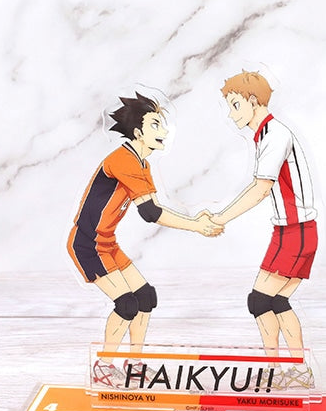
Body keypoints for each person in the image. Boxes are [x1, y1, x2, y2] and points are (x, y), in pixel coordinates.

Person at [67, 92, 222, 388]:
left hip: (107, 243)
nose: (164, 131)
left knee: (145, 297)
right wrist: (196, 226)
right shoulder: (122, 160)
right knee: (126, 303)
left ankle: (135, 365)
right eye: (155, 125)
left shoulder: (141, 164)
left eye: (162, 124)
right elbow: (150, 213)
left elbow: (155, 206)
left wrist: (195, 219)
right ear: (138, 132)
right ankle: (104, 367)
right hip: (87, 244)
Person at [210, 70, 318, 388]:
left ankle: (282, 371)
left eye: (235, 105)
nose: (231, 115)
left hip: (295, 231)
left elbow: (260, 189)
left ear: (253, 101)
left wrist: (220, 218)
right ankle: (292, 371)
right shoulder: (266, 135)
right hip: (291, 231)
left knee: (260, 301)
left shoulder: (275, 135)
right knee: (275, 302)